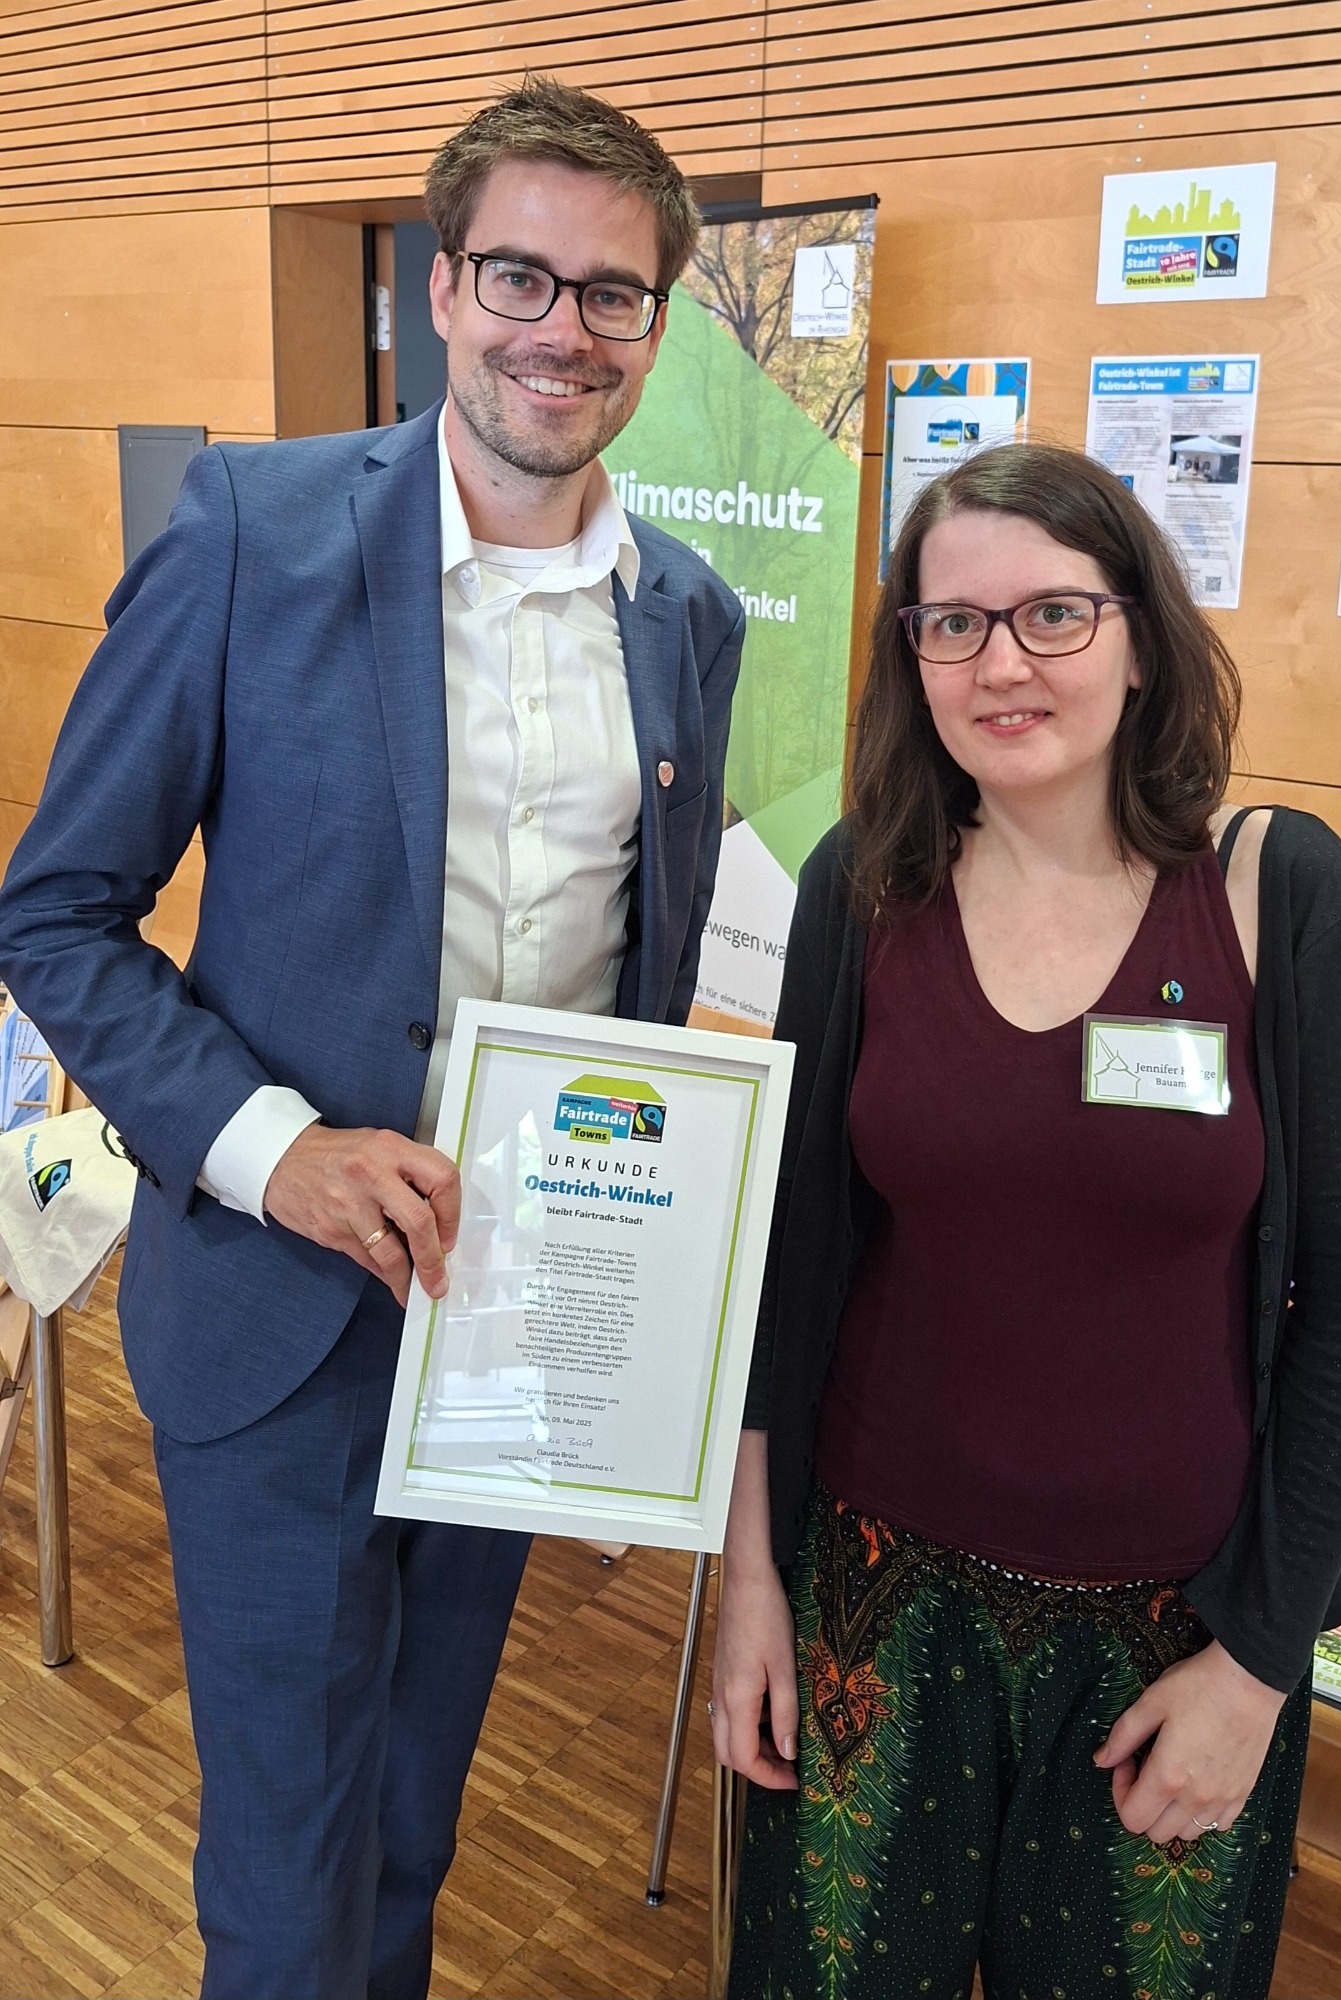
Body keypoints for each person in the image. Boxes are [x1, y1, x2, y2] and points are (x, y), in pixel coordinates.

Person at [0, 78, 743, 2000]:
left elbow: (643, 984)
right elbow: (56, 912)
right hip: (278, 1317)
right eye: (521, 277)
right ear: (442, 287)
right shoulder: (253, 532)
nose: (561, 330)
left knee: (414, 1816)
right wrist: (275, 1152)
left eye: (612, 292)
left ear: (658, 322)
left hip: (518, 1323)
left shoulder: (688, 617)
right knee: (284, 1863)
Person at [712, 442, 1341, 1999]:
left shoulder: (1273, 891)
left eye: (1052, 613)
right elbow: (783, 1266)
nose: (1001, 663)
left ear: (1138, 637)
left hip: (1172, 1644)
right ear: (910, 657)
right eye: (951, 624)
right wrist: (749, 1582)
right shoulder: (861, 888)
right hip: (868, 1608)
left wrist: (1256, 1665)